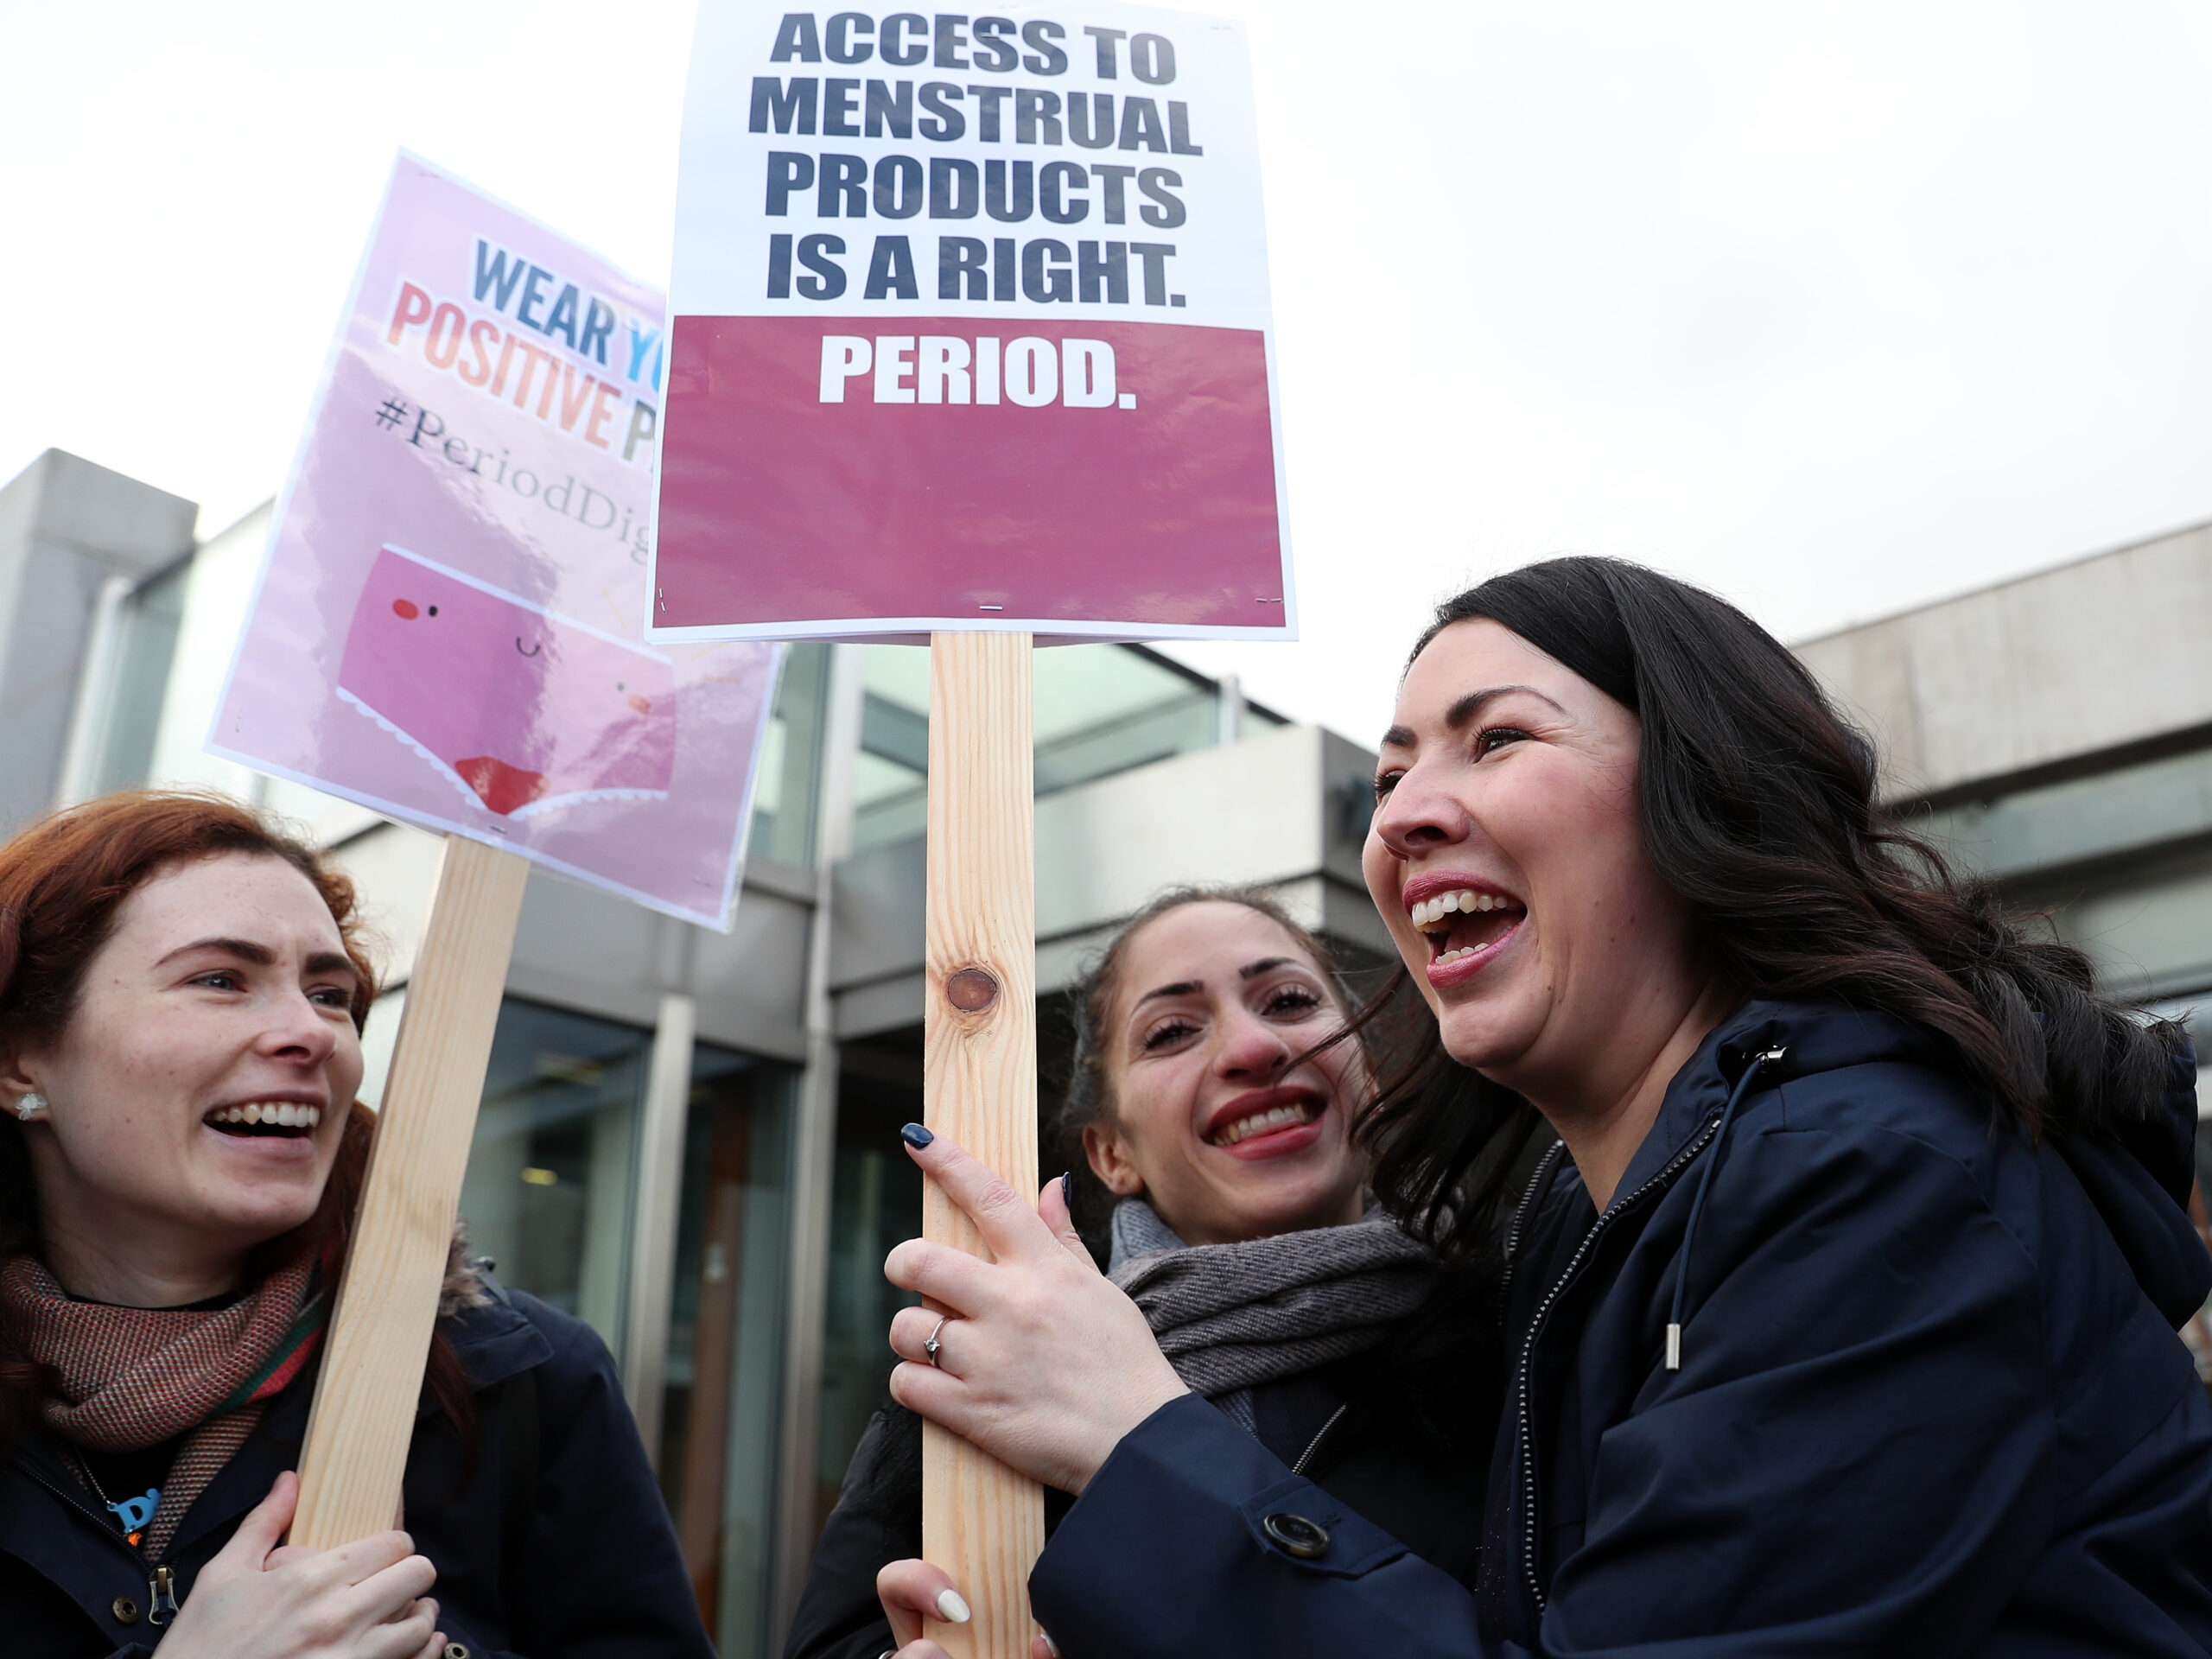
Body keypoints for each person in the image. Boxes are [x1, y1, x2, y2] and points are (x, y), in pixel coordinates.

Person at [871, 557, 2212, 1658]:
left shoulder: (1874, 1181)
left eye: (1496, 738)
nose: (1401, 819)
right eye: (1389, 778)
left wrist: (1134, 1440)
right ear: (1101, 1149)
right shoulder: (1583, 1228)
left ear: (1703, 783)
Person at [0, 791, 715, 1659]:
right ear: (18, 1061)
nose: (312, 1033)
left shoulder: (513, 1383)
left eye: (330, 993)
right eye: (220, 979)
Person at [791, 888, 1502, 1659]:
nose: (1253, 1047)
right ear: (1111, 1155)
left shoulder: (1520, 1336)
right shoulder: (981, 1364)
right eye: (1172, 1032)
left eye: (1290, 1000)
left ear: (1365, 1067)